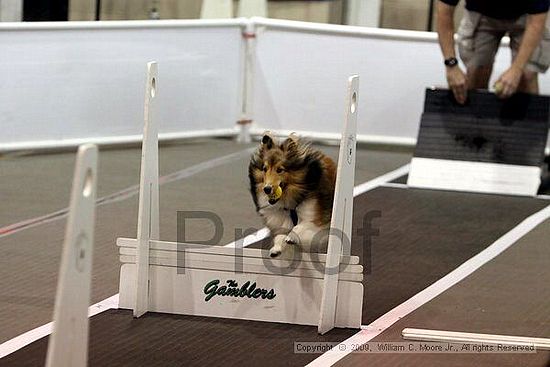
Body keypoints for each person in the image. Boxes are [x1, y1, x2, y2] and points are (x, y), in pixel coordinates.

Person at [437, 0, 550, 104]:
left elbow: (536, 23)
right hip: (481, 12)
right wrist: (451, 65)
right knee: (476, 72)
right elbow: (444, 12)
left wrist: (517, 70)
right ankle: (472, 123)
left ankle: (529, 124)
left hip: (527, 15)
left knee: (526, 76)